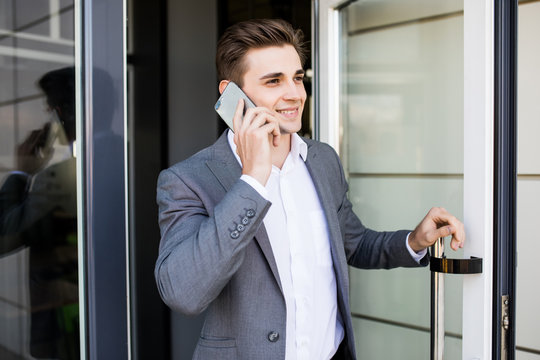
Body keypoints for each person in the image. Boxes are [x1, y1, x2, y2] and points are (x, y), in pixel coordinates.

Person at [155, 19, 465, 360]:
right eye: (274, 81)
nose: (295, 93)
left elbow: (354, 243)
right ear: (231, 93)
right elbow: (182, 292)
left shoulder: (322, 160)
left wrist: (414, 240)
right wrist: (252, 180)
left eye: (298, 78)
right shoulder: (188, 179)